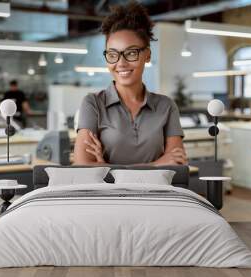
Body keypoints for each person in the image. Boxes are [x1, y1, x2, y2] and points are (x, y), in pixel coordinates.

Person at [74, 1, 187, 166]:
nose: (121, 63)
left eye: (131, 53)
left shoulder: (166, 106)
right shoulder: (93, 104)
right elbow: (83, 167)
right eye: (113, 54)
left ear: (147, 55)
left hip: (157, 192)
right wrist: (156, 164)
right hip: (107, 193)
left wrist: (106, 167)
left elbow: (176, 165)